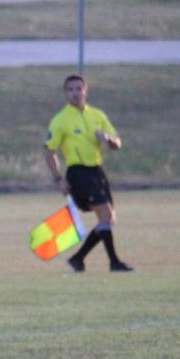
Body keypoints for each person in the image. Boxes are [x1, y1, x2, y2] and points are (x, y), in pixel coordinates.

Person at [43, 74, 132, 272]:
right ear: (65, 93)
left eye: (78, 89)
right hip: (78, 172)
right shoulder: (60, 120)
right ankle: (114, 263)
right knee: (106, 215)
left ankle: (78, 258)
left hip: (97, 172)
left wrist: (108, 139)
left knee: (108, 219)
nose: (75, 93)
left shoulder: (97, 115)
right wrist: (58, 179)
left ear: (86, 91)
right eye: (70, 89)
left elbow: (117, 143)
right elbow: (49, 151)